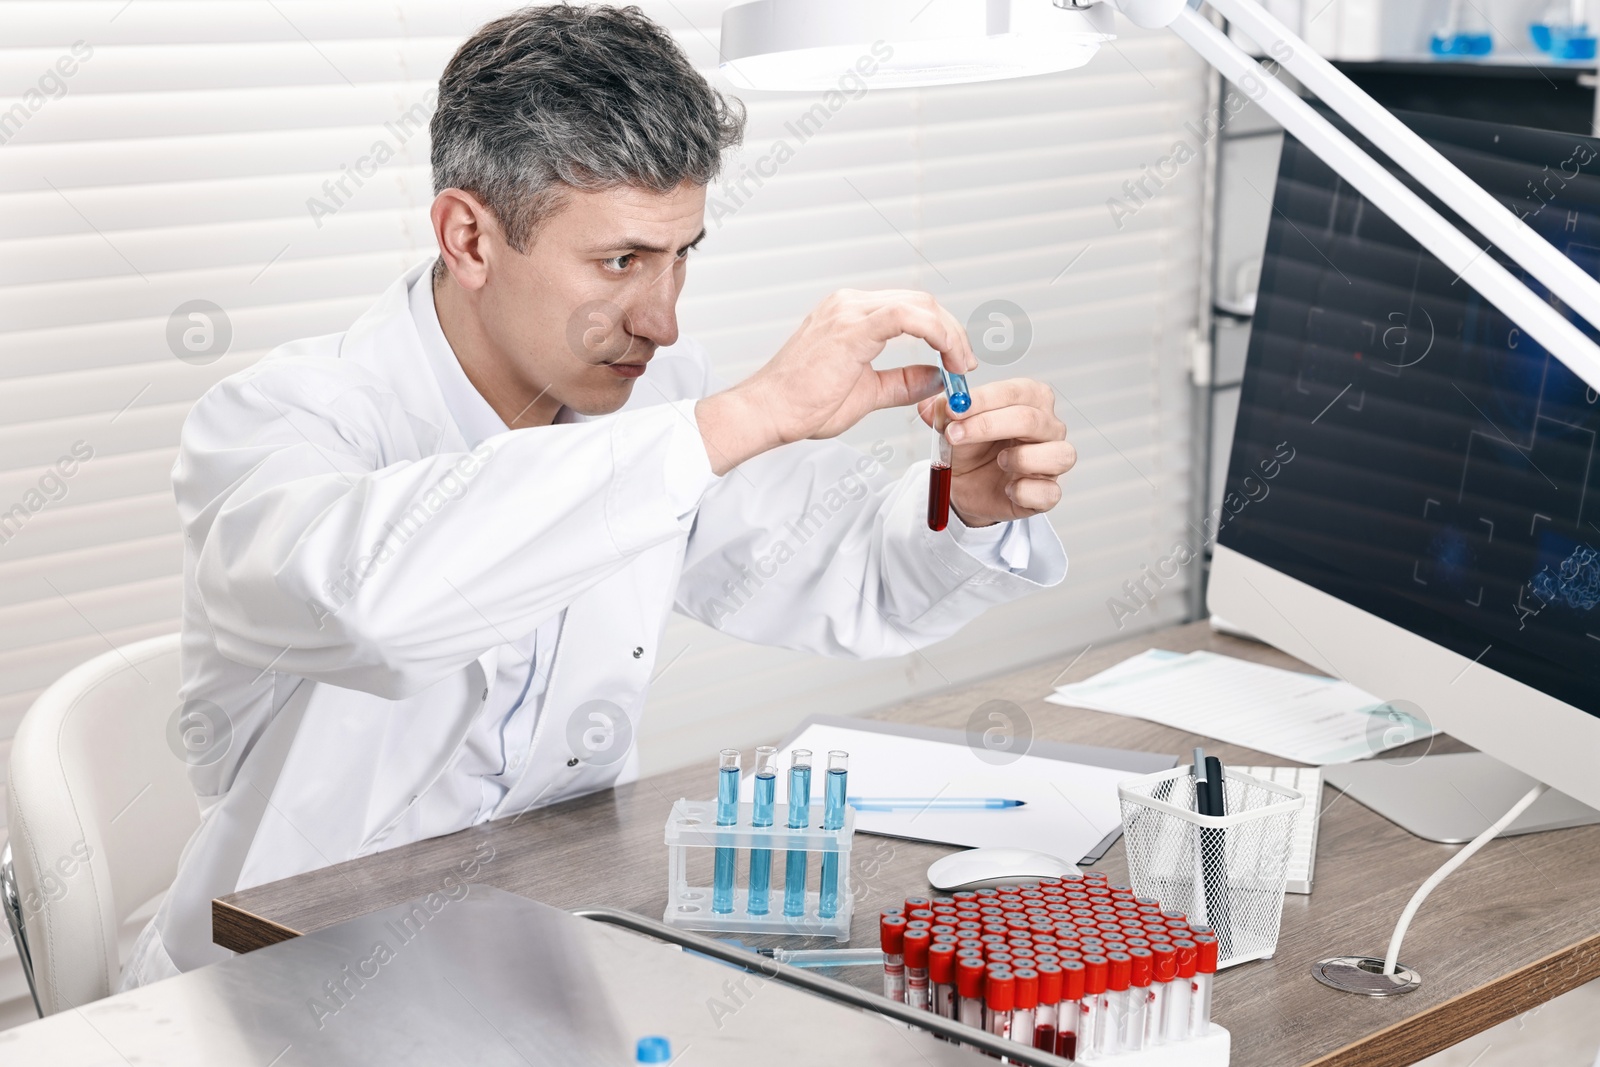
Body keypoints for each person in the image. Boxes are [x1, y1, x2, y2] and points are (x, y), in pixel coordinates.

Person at [122, 4, 1075, 986]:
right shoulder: (279, 422)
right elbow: (373, 608)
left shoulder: (653, 400)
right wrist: (736, 420)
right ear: (470, 238)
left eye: (682, 254)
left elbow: (824, 569)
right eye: (619, 260)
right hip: (275, 987)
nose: (661, 319)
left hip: (535, 954)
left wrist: (963, 507)